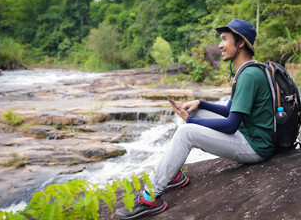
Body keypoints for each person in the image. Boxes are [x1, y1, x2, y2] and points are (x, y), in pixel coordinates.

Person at [115, 18, 275, 219]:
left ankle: (150, 198)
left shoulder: (249, 75)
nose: (219, 45)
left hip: (256, 146)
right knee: (193, 113)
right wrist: (201, 103)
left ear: (240, 42)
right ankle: (172, 174)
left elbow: (231, 125)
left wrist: (190, 122)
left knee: (186, 132)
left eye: (224, 39)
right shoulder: (247, 70)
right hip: (248, 134)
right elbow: (229, 110)